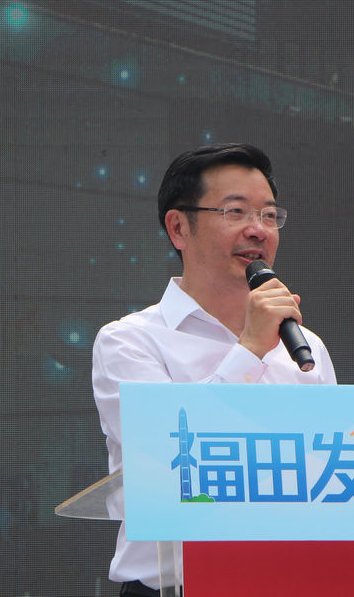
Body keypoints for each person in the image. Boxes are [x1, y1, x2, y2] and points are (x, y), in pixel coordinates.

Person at [91, 144, 336, 596]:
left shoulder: (306, 347)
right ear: (178, 227)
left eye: (269, 215)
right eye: (235, 211)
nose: (257, 229)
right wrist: (250, 348)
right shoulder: (130, 341)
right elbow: (170, 456)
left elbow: (332, 475)